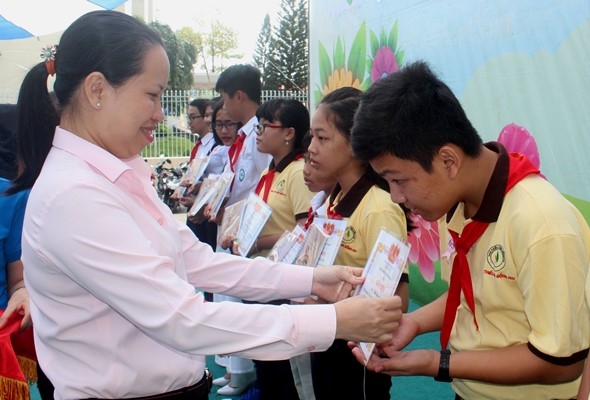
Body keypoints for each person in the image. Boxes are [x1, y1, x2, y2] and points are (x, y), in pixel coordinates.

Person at [12, 11, 404, 400]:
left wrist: (311, 279)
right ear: (97, 89)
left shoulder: (114, 174)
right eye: (152, 94)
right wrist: (332, 321)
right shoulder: (76, 196)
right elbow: (183, 319)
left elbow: (195, 260)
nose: (159, 114)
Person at [349, 61, 590, 400]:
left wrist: (440, 363)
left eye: (399, 180)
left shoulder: (542, 225)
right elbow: (469, 293)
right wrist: (414, 323)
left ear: (448, 161)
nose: (396, 197)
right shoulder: (459, 203)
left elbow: (561, 363)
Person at [307, 87, 411, 400]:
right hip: (328, 333)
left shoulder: (379, 208)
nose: (311, 148)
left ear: (355, 145)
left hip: (357, 352)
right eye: (311, 137)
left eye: (322, 138)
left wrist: (333, 304)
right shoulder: (332, 200)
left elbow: (399, 299)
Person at [223, 98, 316, 400]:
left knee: (283, 366)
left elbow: (305, 231)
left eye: (265, 126)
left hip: (283, 283)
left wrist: (255, 242)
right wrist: (237, 234)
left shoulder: (298, 173)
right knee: (265, 358)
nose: (258, 133)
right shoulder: (270, 173)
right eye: (258, 126)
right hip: (262, 277)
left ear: (289, 133)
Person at [209, 64, 271, 397]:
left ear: (239, 96)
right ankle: (237, 368)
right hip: (234, 226)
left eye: (224, 99)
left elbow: (263, 187)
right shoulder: (247, 135)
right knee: (227, 297)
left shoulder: (260, 134)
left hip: (251, 231)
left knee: (241, 300)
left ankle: (244, 370)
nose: (224, 108)